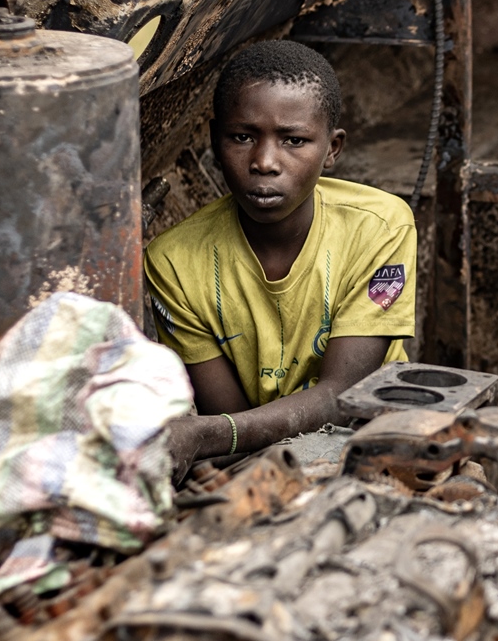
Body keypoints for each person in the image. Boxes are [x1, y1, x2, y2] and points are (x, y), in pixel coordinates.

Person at [144, 39, 416, 478]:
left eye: (294, 140)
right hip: (260, 454)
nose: (265, 162)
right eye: (242, 137)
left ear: (332, 149)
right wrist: (218, 444)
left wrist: (204, 437)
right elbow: (232, 418)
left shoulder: (380, 226)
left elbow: (346, 392)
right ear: (214, 140)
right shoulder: (174, 262)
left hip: (373, 432)